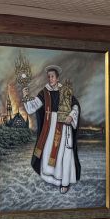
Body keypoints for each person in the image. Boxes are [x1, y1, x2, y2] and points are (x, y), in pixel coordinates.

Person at [24, 65, 81, 193]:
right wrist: (26, 96)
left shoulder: (65, 91)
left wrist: (71, 116)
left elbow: (75, 106)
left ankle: (64, 182)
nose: (50, 79)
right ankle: (50, 178)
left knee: (63, 153)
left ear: (57, 78)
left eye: (52, 76)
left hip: (63, 126)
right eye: (49, 77)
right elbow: (33, 106)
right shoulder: (44, 92)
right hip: (49, 127)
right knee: (49, 150)